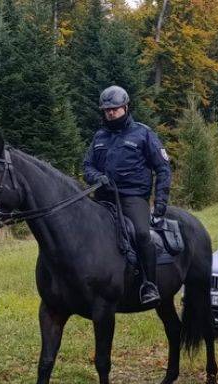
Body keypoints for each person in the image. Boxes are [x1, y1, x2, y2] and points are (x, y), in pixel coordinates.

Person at [83, 85, 171, 305]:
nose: (111, 113)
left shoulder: (143, 134)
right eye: (107, 110)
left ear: (125, 107)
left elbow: (163, 168)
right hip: (103, 198)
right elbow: (87, 166)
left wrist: (160, 201)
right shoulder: (99, 136)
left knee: (142, 234)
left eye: (115, 109)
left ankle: (149, 285)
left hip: (132, 198)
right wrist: (97, 178)